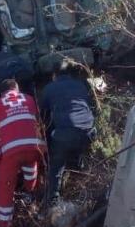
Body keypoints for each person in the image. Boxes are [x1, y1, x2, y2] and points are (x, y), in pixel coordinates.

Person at [0, 79, 46, 227]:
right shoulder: (29, 99)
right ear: (17, 89)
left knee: (5, 187)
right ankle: (30, 195)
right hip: (35, 147)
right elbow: (36, 123)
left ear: (2, 93)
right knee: (31, 168)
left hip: (11, 153)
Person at [40, 59, 96, 206]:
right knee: (76, 143)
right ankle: (80, 168)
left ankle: (53, 198)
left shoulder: (49, 88)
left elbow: (43, 116)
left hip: (65, 134)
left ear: (54, 74)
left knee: (57, 164)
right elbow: (92, 107)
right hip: (88, 131)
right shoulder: (82, 84)